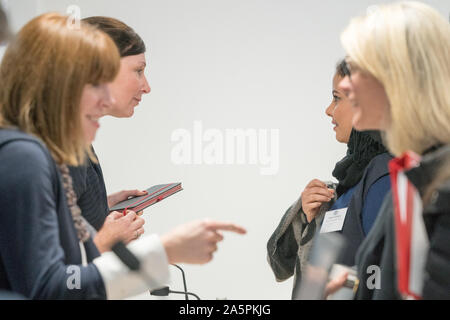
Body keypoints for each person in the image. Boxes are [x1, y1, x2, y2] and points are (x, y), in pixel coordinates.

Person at [0, 13, 245, 300]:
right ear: (60, 84)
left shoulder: (30, 154)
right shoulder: (24, 157)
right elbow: (51, 289)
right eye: (95, 83)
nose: (105, 100)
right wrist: (164, 250)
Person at [70, 17, 247, 257]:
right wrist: (106, 241)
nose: (146, 86)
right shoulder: (53, 149)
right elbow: (46, 278)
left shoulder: (75, 141)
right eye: (138, 71)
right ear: (100, 70)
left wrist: (101, 207)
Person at [326, 1, 450, 299]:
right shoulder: (412, 175)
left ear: (398, 77)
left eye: (357, 70)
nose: (346, 84)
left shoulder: (439, 185)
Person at [267, 60, 391, 298]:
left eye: (336, 98)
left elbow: (383, 278)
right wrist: (308, 220)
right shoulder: (343, 188)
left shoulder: (383, 177)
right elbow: (288, 271)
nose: (328, 110)